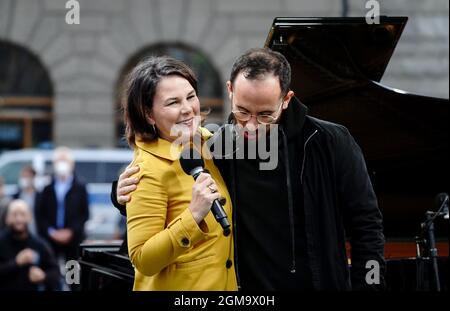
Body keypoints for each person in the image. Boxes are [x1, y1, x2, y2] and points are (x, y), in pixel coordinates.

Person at [113, 48, 385, 290]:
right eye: (242, 112)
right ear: (230, 90)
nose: (251, 126)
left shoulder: (330, 141)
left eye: (265, 115)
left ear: (286, 99)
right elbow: (164, 175)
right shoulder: (219, 144)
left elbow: (366, 225)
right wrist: (120, 192)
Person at [120, 56, 237, 291]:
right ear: (148, 114)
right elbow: (142, 258)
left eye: (191, 97)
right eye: (173, 102)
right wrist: (193, 215)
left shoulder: (209, 142)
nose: (187, 109)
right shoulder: (146, 171)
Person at [35, 147, 89, 263]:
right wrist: (51, 232)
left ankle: (72, 281)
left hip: (73, 239)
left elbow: (84, 214)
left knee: (72, 273)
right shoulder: (47, 187)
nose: (62, 164)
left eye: (65, 161)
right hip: (50, 239)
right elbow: (40, 213)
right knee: (51, 270)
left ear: (72, 164)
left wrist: (70, 231)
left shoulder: (80, 187)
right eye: (59, 161)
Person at [0, 199, 59, 291]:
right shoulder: (1, 242)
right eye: (14, 214)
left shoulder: (40, 244)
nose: (19, 219)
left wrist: (43, 276)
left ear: (30, 217)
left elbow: (55, 272)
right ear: (7, 218)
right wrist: (16, 263)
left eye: (23, 214)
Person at [12, 165, 40, 236]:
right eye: (23, 176)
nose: (25, 179)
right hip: (20, 233)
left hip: (36, 231)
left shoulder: (40, 196)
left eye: (27, 176)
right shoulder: (16, 195)